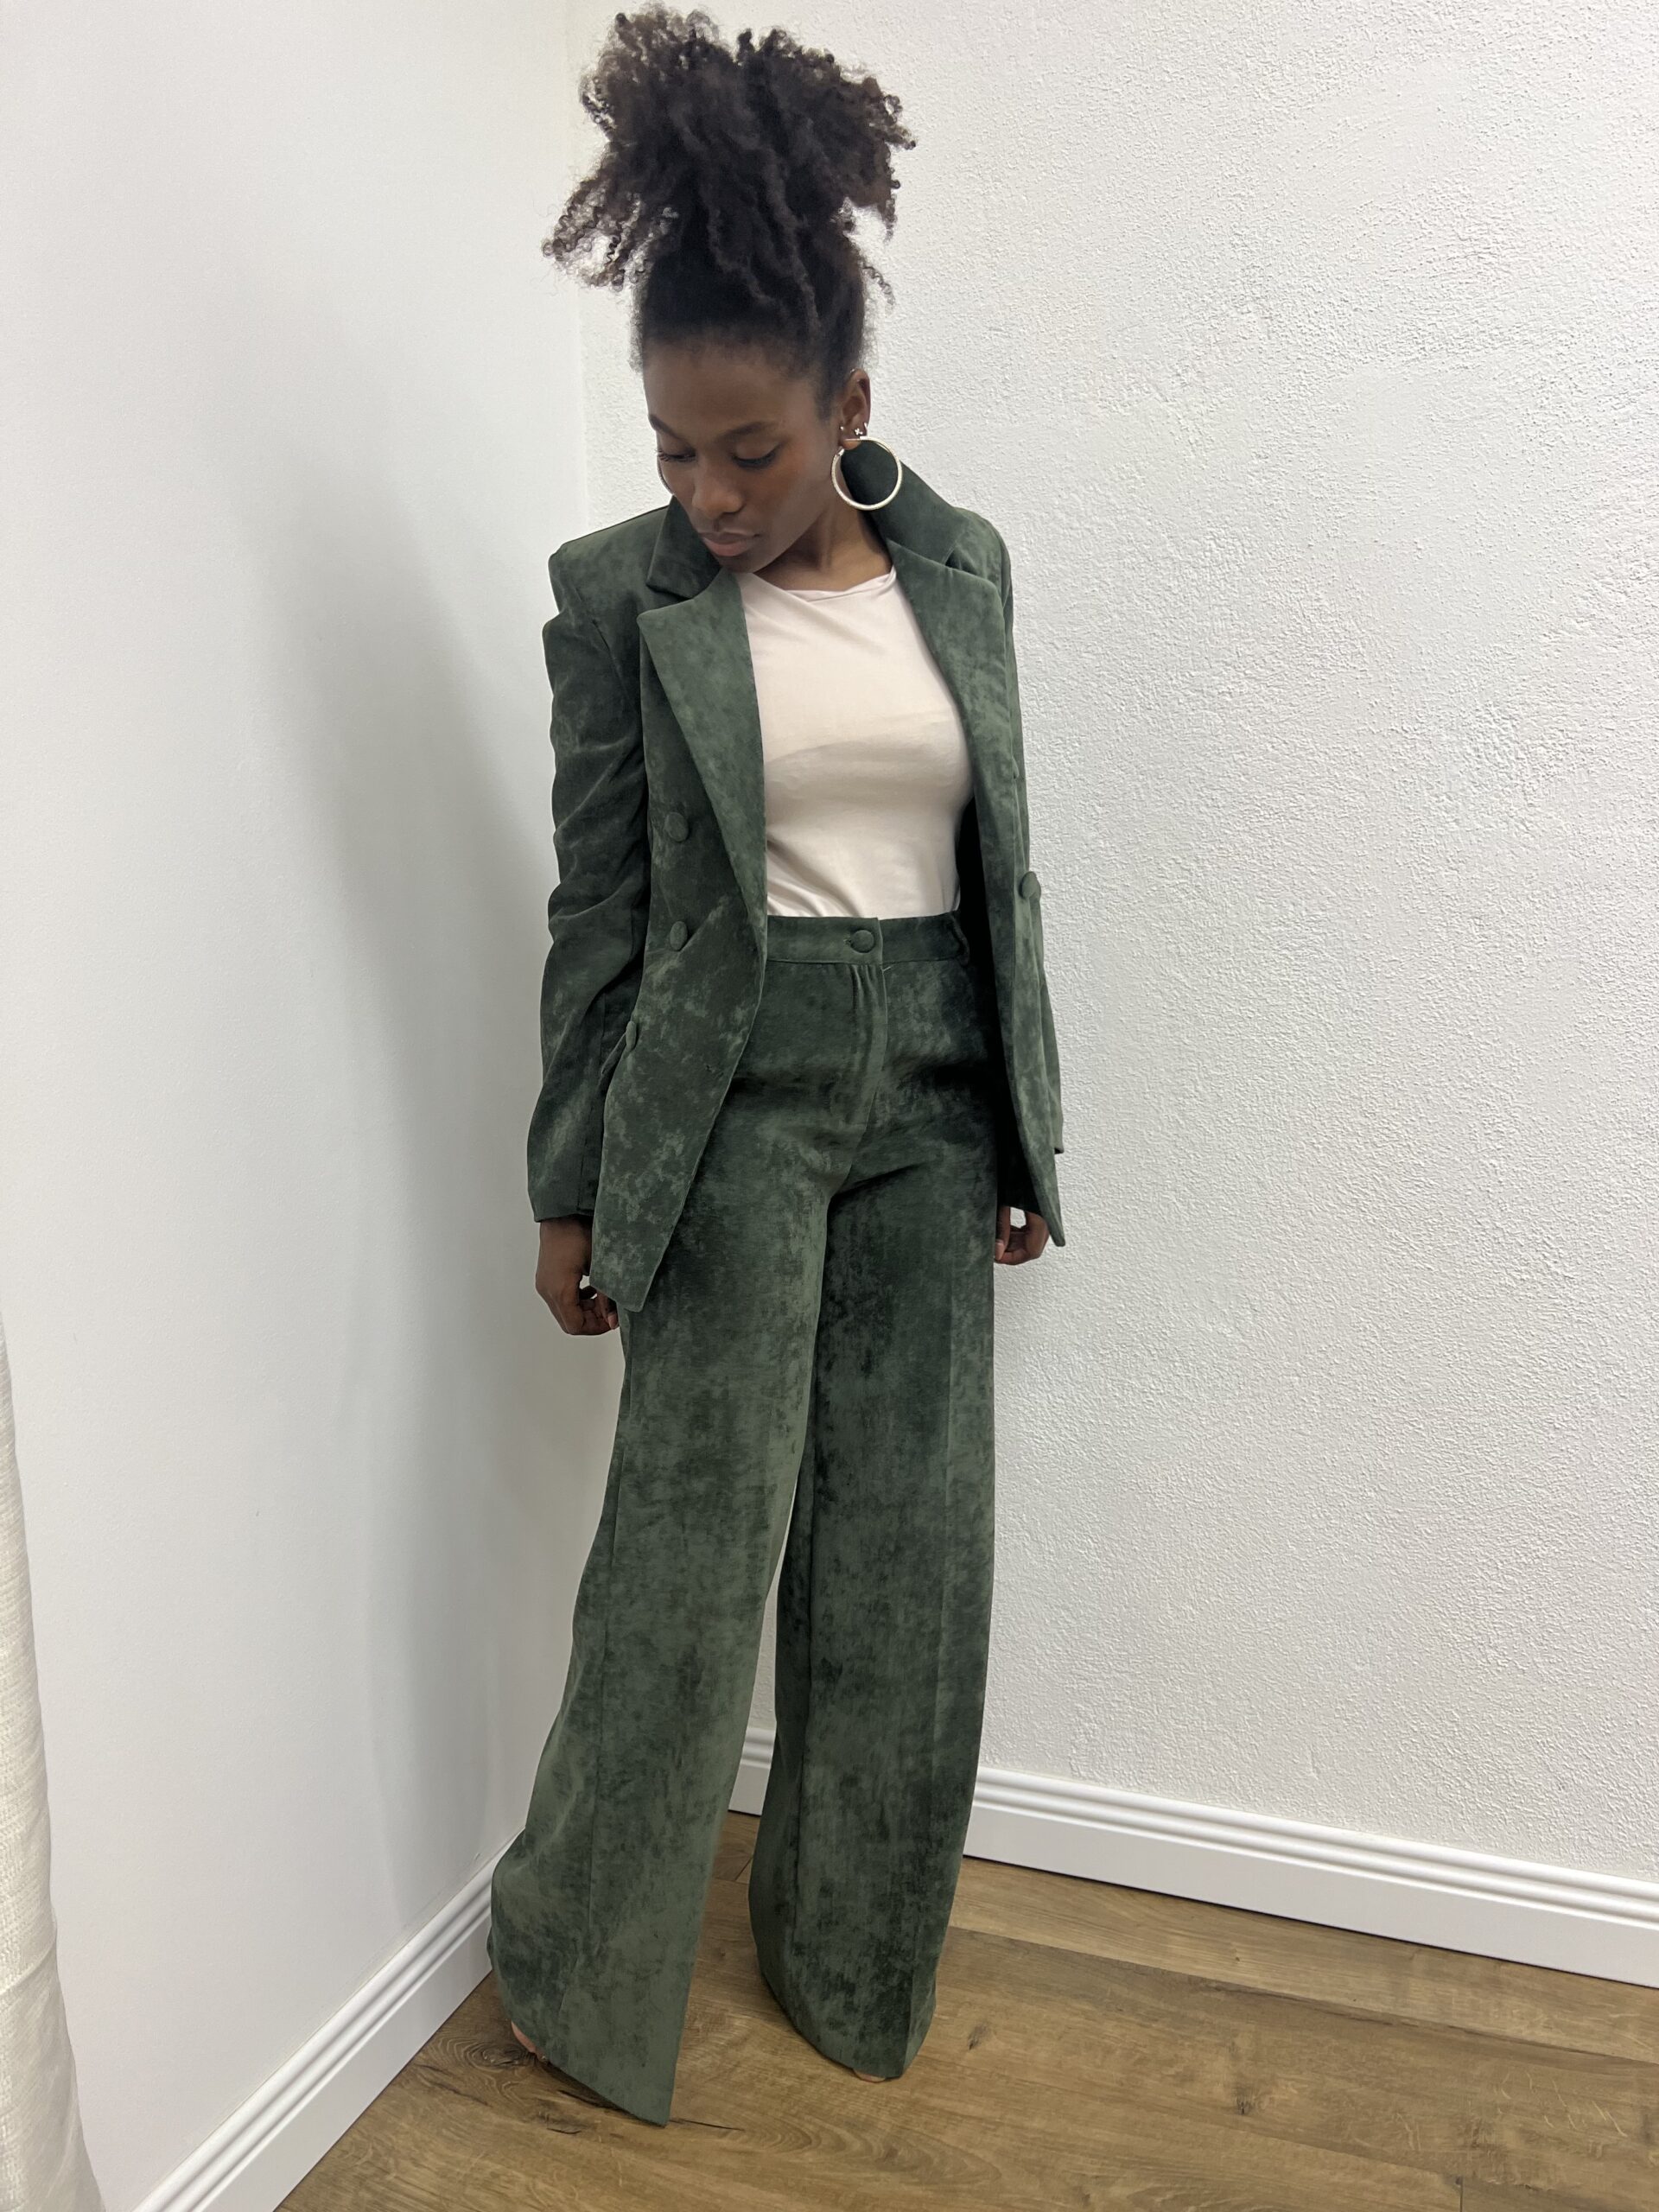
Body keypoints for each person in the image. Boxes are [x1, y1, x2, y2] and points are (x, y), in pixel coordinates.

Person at [488, 5, 1066, 2128]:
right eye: (671, 450)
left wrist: (1022, 1130)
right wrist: (570, 1179)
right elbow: (602, 910)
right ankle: (577, 1969)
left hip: (932, 1107)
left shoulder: (964, 569)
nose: (708, 494)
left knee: (908, 1557)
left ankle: (851, 1961)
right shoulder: (614, 604)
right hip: (727, 1102)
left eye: (749, 448)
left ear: (849, 405)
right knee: (688, 1550)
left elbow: (1001, 870)